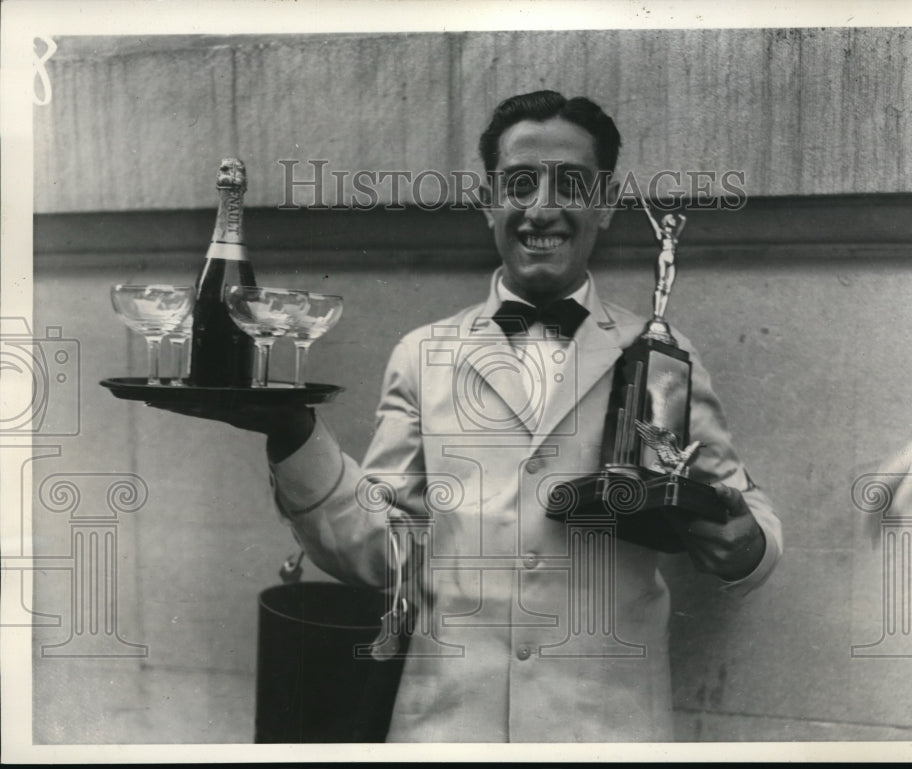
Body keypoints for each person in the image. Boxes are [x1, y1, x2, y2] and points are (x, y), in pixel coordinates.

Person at [168, 90, 782, 742]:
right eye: (519, 183)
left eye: (570, 184)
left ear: (604, 203)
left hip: (605, 731)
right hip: (446, 729)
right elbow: (385, 552)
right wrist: (294, 434)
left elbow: (748, 515)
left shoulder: (663, 356)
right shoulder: (423, 355)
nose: (542, 208)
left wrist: (743, 542)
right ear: (488, 200)